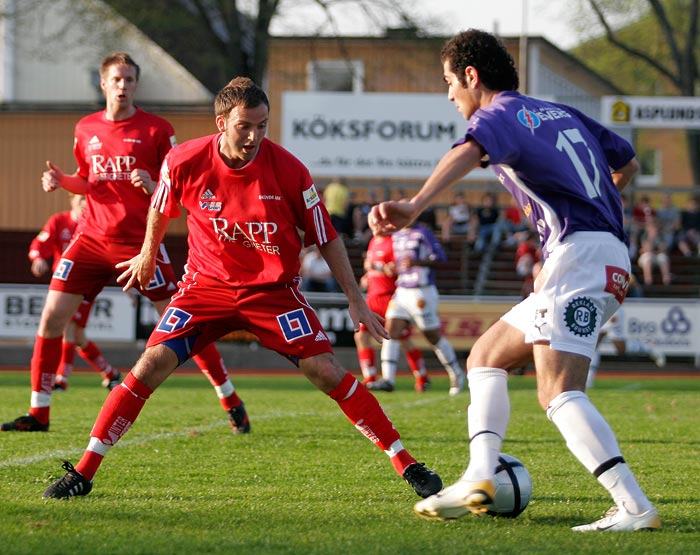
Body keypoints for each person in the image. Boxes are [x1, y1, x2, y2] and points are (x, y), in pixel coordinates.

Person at [41, 76, 442, 501]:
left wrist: (355, 299)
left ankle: (406, 462)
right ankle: (83, 472)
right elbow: (161, 206)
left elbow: (326, 236)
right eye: (244, 127)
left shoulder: (289, 170)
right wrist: (146, 253)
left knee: (324, 371)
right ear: (221, 123)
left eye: (263, 126)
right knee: (148, 365)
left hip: (271, 293)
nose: (254, 137)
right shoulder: (183, 159)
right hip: (204, 290)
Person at [369, 29, 660, 532]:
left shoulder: (497, 114)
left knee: (558, 392)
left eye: (448, 82)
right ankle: (480, 475)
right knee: (485, 356)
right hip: (600, 255)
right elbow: (627, 161)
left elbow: (467, 150)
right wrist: (591, 220)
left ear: (471, 76)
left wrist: (414, 206)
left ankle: (634, 506)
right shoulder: (561, 113)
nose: (448, 95)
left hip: (580, 257)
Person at [1, 52, 248, 436]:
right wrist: (61, 181)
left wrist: (154, 186)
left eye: (129, 80)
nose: (123, 86)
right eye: (116, 79)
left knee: (185, 325)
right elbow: (87, 180)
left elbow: (182, 189)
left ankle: (229, 398)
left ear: (136, 84)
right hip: (90, 238)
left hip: (140, 243)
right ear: (103, 83)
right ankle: (39, 412)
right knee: (51, 319)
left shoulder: (156, 129)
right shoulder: (85, 128)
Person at [28, 193, 120, 391]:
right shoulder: (59, 221)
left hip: (86, 287)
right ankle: (110, 373)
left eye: (89, 201)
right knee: (78, 336)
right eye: (81, 201)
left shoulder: (96, 225)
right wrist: (37, 258)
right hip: (64, 286)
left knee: (69, 330)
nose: (85, 205)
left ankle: (62, 379)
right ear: (71, 202)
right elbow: (39, 243)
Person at [367, 221, 465, 396]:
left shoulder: (422, 232)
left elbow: (440, 257)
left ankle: (456, 373)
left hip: (422, 292)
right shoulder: (396, 235)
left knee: (433, 337)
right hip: (402, 290)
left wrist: (417, 261)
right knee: (390, 332)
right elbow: (399, 263)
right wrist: (393, 267)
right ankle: (388, 380)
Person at [355, 228, 429, 392]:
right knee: (361, 335)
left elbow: (398, 269)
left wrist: (379, 269)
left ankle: (422, 377)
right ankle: (370, 378)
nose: (375, 223)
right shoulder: (373, 241)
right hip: (373, 297)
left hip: (390, 297)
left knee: (402, 339)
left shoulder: (394, 242)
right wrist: (368, 276)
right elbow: (371, 267)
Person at [586, 304, 666, 389]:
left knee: (620, 348)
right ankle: (588, 380)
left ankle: (649, 349)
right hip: (596, 307)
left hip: (611, 308)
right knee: (593, 341)